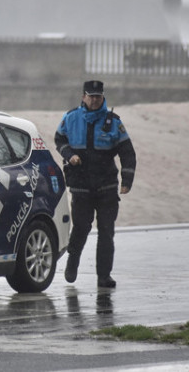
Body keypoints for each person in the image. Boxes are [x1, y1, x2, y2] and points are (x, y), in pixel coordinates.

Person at [55, 80, 136, 288]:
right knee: (81, 228)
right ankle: (73, 261)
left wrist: (127, 180)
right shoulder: (70, 118)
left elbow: (127, 152)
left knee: (106, 232)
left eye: (97, 96)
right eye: (90, 96)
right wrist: (69, 155)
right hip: (81, 187)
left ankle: (104, 276)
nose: (94, 100)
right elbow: (59, 140)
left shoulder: (113, 122)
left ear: (102, 97)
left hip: (106, 187)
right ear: (83, 97)